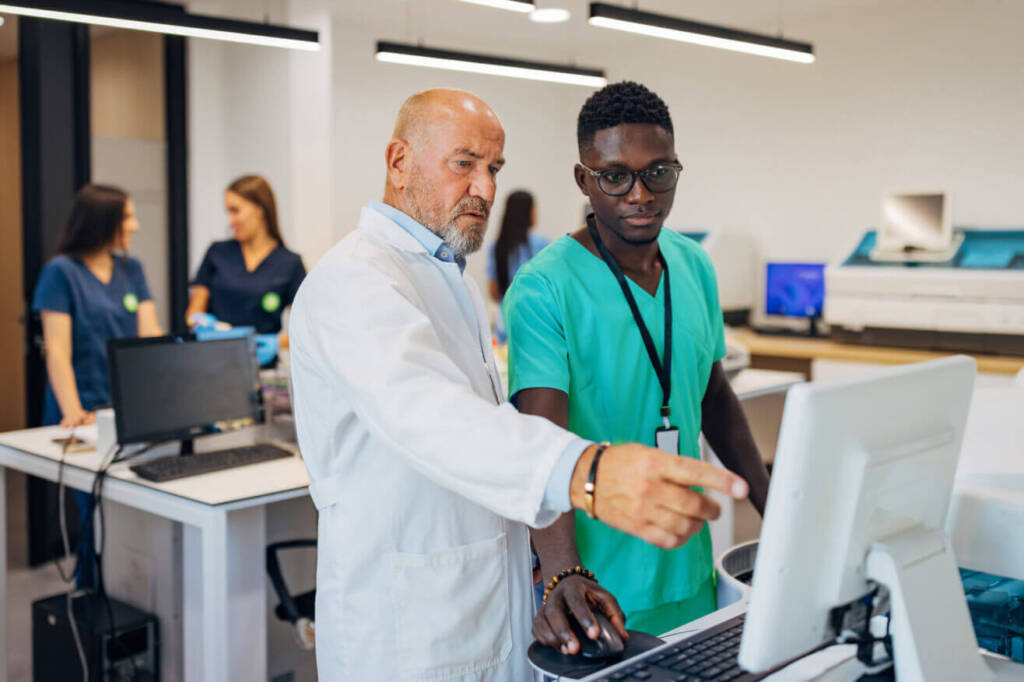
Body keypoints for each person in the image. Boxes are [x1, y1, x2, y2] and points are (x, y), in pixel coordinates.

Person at [288, 88, 750, 681]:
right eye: (464, 164)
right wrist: (585, 472)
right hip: (407, 629)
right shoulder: (355, 281)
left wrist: (556, 566)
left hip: (488, 602)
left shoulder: (444, 275)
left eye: (494, 168)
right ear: (398, 162)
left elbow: (493, 437)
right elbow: (431, 417)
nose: (484, 188)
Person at [503, 82, 772, 648]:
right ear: (584, 179)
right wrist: (563, 573)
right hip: (598, 587)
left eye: (658, 173)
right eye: (615, 176)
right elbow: (539, 441)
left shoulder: (693, 264)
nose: (639, 194)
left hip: (689, 566)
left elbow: (712, 394)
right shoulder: (544, 287)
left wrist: (776, 507)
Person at [32, 183, 163, 586]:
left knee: (132, 509)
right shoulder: (61, 273)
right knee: (94, 511)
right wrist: (72, 409)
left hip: (124, 409)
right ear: (103, 222)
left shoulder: (131, 269)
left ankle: (129, 593)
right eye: (127, 217)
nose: (136, 225)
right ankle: (91, 595)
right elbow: (57, 350)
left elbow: (150, 337)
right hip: (80, 410)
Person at [186, 175, 305, 341]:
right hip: (214, 358)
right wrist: (200, 322)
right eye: (228, 212)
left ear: (260, 209)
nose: (230, 221)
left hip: (262, 365)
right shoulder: (217, 252)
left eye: (235, 211)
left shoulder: (290, 263)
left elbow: (306, 330)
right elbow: (194, 312)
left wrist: (274, 343)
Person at [486, 190, 549, 304]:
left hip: (504, 315)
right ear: (528, 212)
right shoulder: (542, 245)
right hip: (533, 314)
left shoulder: (496, 246)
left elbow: (493, 292)